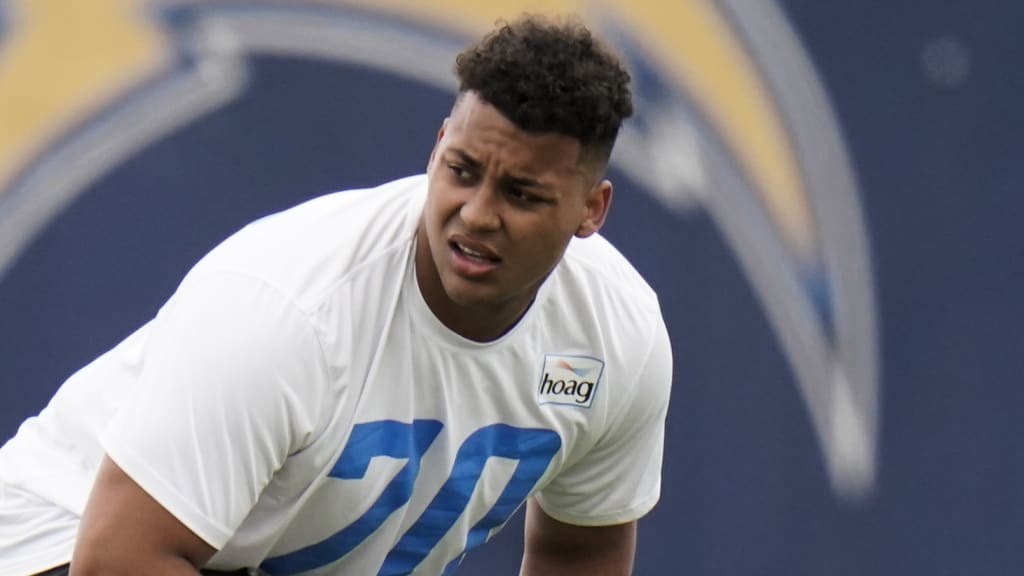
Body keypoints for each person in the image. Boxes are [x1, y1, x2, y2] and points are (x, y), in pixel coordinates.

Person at [0, 13, 672, 576]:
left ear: (591, 209)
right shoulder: (289, 306)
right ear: (439, 146)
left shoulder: (617, 334)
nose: (475, 214)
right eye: (461, 171)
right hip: (61, 543)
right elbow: (117, 558)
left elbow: (578, 549)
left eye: (522, 194)